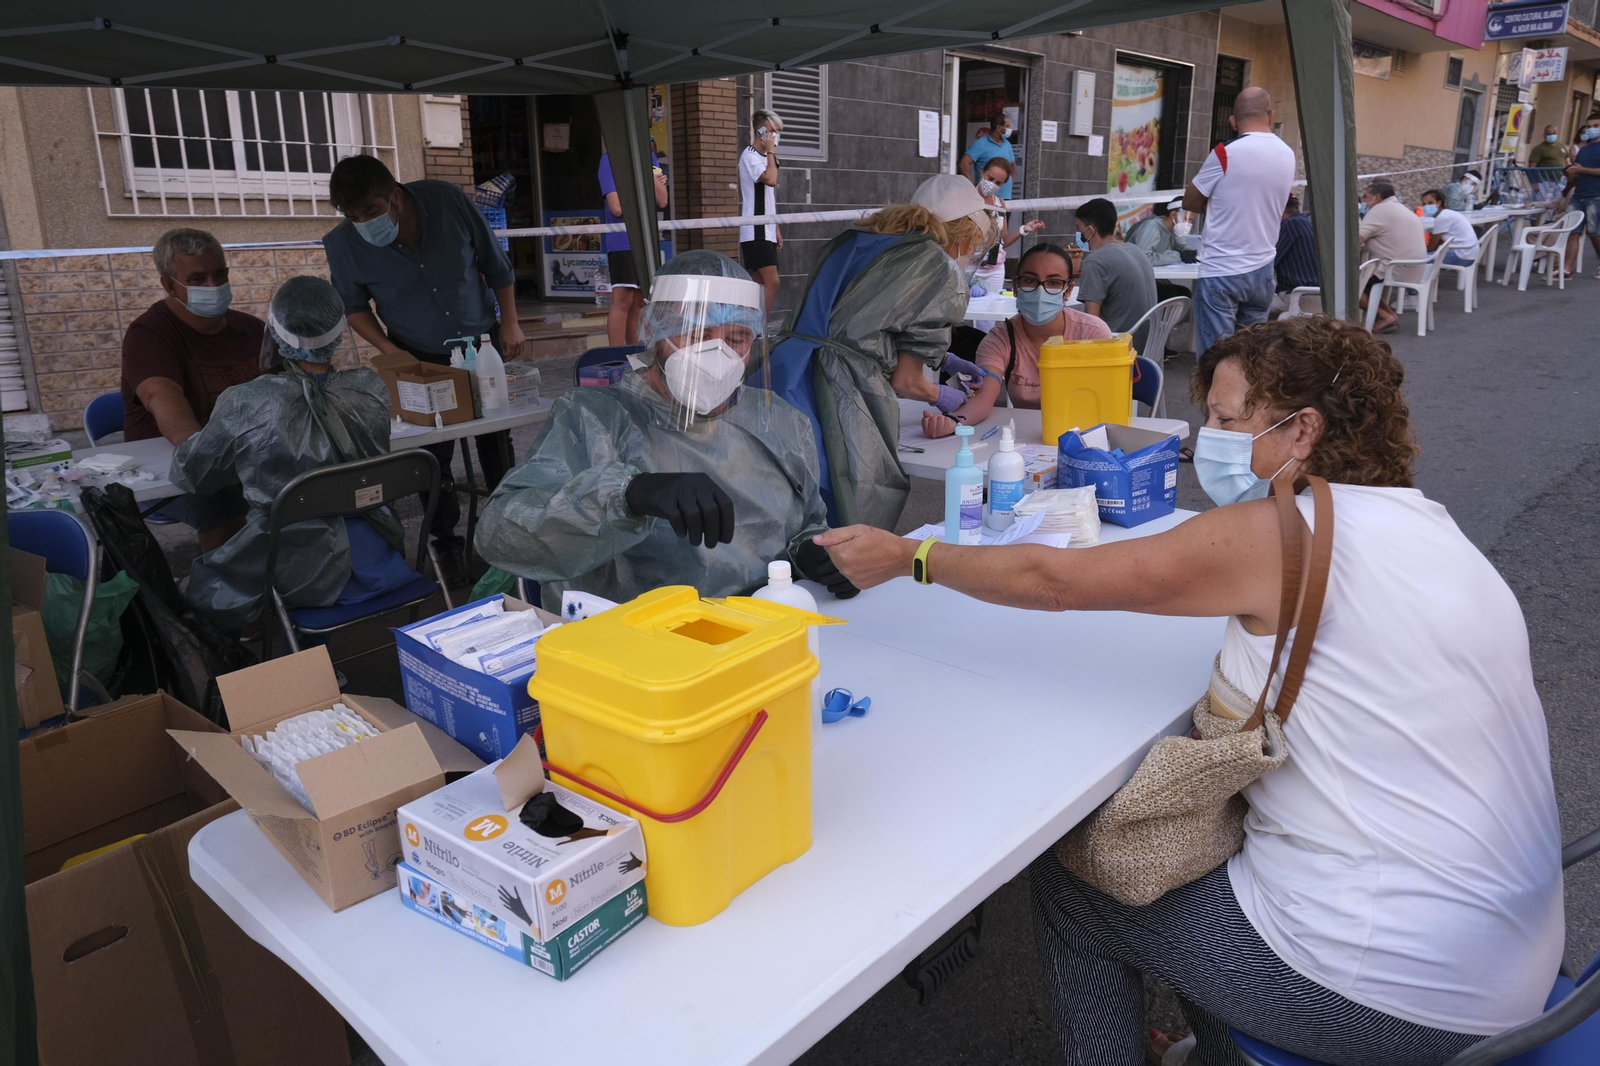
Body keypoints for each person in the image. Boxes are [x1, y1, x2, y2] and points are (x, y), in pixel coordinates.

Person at [812, 316, 1563, 1066]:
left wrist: (912, 555)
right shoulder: (1426, 525)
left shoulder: (1276, 537)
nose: (1209, 438)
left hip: (1396, 993)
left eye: (1228, 420)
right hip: (1515, 957)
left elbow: (1053, 582)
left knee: (1078, 889)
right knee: (1201, 861)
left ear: (1303, 430)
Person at [475, 251, 856, 609]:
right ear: (655, 332)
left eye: (736, 337)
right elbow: (500, 535)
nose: (717, 353)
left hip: (762, 627)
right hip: (641, 645)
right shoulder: (596, 419)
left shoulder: (781, 422)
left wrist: (813, 553)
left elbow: (805, 523)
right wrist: (628, 494)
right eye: (696, 333)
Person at [171, 277, 417, 634]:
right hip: (378, 557)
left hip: (291, 568)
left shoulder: (245, 403)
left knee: (192, 591)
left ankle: (292, 671)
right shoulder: (370, 388)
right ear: (337, 332)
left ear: (274, 330)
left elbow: (193, 474)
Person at [323, 154, 524, 585]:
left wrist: (510, 322)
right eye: (353, 216)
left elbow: (496, 266)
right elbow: (355, 309)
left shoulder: (447, 201)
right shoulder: (343, 244)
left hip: (481, 342)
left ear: (394, 196)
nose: (364, 222)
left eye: (372, 211)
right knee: (431, 454)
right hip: (417, 355)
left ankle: (510, 526)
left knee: (496, 441)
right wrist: (392, 353)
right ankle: (445, 542)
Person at [767, 173, 997, 531]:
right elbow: (905, 381)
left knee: (785, 505)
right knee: (845, 516)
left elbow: (861, 320)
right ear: (965, 230)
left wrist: (944, 358)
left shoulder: (858, 242)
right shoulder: (934, 265)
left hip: (784, 374)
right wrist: (942, 394)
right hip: (839, 396)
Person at [121, 228, 271, 553]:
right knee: (221, 497)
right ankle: (229, 594)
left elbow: (287, 389)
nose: (213, 287)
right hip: (169, 470)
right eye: (198, 279)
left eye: (220, 275)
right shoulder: (149, 334)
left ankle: (302, 579)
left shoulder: (253, 330)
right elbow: (161, 395)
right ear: (168, 284)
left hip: (248, 455)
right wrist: (197, 450)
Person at [920, 244, 1112, 438]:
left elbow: (1109, 403)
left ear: (1068, 290)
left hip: (1085, 437)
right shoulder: (1000, 339)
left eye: (1053, 283)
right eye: (1030, 280)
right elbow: (985, 396)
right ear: (1016, 286)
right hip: (1025, 440)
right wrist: (953, 422)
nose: (1040, 291)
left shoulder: (1093, 334)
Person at [1183, 87, 1297, 355]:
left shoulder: (1225, 153)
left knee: (1216, 358)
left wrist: (1215, 202)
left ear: (1233, 121)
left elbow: (1190, 201)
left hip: (1222, 269)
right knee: (1251, 356)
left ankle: (1218, 397)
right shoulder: (1287, 154)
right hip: (1263, 270)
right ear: (1270, 115)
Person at [599, 146, 671, 344]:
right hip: (622, 238)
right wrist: (644, 183)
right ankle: (617, 356)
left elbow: (662, 200)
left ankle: (633, 355)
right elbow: (617, 207)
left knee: (640, 302)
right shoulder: (609, 160)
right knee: (623, 299)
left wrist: (649, 177)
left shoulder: (650, 158)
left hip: (645, 239)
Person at [1075, 197, 1157, 334]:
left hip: (1118, 347)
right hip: (1149, 345)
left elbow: (1091, 324)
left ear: (1090, 230)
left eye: (1079, 229)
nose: (1078, 235)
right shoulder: (1137, 251)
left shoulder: (1095, 261)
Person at [1358, 181, 1427, 333]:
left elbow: (1357, 238)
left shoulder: (1379, 210)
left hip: (1396, 267)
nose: (1364, 202)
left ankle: (1384, 316)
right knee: (1365, 283)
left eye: (1366, 197)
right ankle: (1388, 314)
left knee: (1349, 285)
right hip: (1415, 266)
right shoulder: (1400, 207)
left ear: (1376, 197)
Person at [972, 157, 1044, 302]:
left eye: (998, 183)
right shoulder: (967, 198)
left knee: (990, 315)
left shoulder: (999, 203)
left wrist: (1024, 229)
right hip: (971, 267)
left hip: (995, 269)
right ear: (982, 172)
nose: (992, 185)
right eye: (990, 178)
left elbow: (1003, 240)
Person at [740, 109, 785, 310]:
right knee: (772, 281)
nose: (776, 135)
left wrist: (775, 228)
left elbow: (769, 197)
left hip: (766, 229)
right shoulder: (749, 156)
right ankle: (760, 327)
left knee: (759, 282)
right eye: (773, 131)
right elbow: (771, 180)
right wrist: (771, 151)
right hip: (754, 228)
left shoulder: (767, 157)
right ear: (761, 131)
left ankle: (752, 327)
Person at [1563, 111, 1600, 279]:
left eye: (1596, 126)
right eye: (1590, 126)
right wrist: (1572, 174)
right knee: (1572, 230)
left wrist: (1582, 170)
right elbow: (1577, 172)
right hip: (1579, 194)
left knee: (1595, 232)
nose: (1592, 130)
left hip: (1596, 195)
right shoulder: (1583, 150)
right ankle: (1567, 269)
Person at [1269, 195, 1319, 316]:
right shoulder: (1307, 222)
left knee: (1251, 307)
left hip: (1298, 299)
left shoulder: (1290, 225)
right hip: (1316, 295)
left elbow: (1269, 261)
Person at [958, 111, 1016, 199]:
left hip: (1006, 196)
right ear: (999, 128)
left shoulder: (1007, 144)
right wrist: (971, 186)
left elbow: (1013, 164)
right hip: (986, 197)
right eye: (1007, 126)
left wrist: (1010, 180)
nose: (1010, 129)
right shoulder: (980, 144)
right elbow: (964, 163)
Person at [1125, 199, 1196, 268]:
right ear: (1173, 215)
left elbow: (1180, 245)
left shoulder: (1174, 230)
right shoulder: (1152, 227)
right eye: (1186, 219)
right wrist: (1177, 256)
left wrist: (1188, 252)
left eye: (1190, 221)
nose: (1188, 224)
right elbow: (1143, 258)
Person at [1420, 188, 1480, 269]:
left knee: (1419, 259)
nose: (1426, 206)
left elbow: (1432, 247)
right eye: (1424, 204)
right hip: (1469, 253)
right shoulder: (1448, 213)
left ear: (1439, 203)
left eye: (1430, 203)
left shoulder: (1442, 217)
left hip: (1462, 256)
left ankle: (1421, 281)